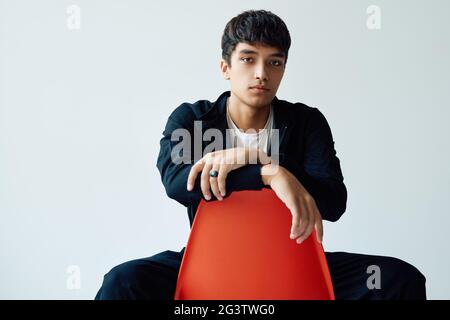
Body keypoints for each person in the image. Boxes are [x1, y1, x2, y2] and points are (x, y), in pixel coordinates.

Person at [95, 9, 426, 300]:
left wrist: (264, 162)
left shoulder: (306, 122)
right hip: (209, 261)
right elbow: (179, 181)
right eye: (248, 59)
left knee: (397, 279)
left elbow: (333, 201)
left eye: (275, 62)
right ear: (226, 66)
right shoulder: (192, 119)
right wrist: (267, 172)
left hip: (295, 260)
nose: (261, 73)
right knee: (123, 282)